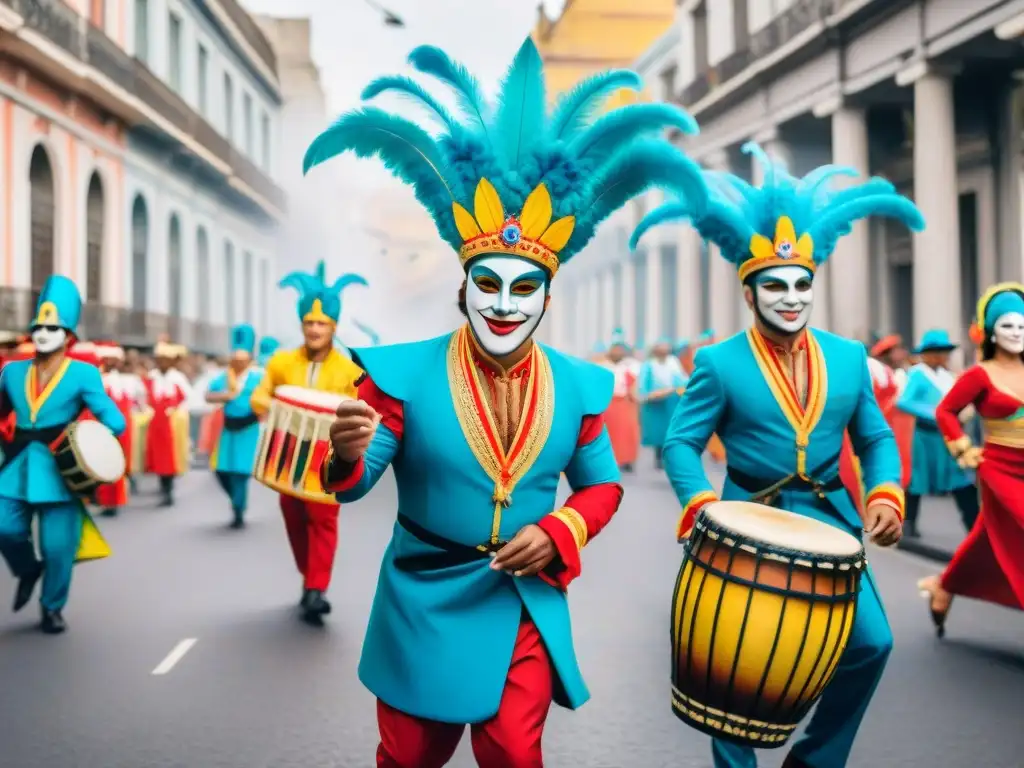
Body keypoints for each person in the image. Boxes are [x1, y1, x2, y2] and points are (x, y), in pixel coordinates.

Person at [310, 37, 703, 767]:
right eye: (488, 285)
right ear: (463, 290)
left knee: (516, 756)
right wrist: (345, 453)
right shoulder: (400, 375)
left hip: (522, 597)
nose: (503, 304)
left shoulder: (579, 385)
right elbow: (354, 484)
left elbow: (602, 488)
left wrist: (560, 530)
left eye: (524, 289)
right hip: (423, 595)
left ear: (547, 299)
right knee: (409, 758)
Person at [632, 142, 923, 768]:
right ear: (749, 292)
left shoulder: (847, 357)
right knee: (734, 666)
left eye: (801, 284)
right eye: (774, 285)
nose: (790, 296)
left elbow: (874, 438)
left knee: (872, 644)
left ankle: (814, 761)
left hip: (832, 522)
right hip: (745, 521)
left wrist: (885, 493)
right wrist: (701, 505)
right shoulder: (718, 361)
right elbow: (681, 442)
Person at [0, 276, 126, 633]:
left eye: (52, 327)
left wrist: (88, 444)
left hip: (60, 471)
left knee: (58, 549)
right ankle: (27, 569)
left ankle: (52, 607)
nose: (43, 333)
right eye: (38, 326)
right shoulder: (12, 372)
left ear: (68, 335)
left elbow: (115, 421)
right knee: (4, 527)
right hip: (16, 466)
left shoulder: (84, 374)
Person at [250, 262, 367, 623]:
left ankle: (317, 588)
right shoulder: (282, 362)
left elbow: (362, 407)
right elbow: (260, 395)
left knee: (323, 520)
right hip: (287, 457)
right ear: (301, 325)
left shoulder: (349, 370)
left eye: (322, 323)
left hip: (328, 458)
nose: (315, 329)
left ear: (333, 327)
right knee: (293, 517)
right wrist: (267, 406)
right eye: (309, 323)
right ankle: (309, 577)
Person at [917, 283, 1024, 635]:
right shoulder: (980, 374)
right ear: (991, 331)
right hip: (999, 468)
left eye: (1022, 325)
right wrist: (963, 447)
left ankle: (945, 585)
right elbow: (945, 411)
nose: (1017, 332)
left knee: (986, 538)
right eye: (1008, 325)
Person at [896, 329, 979, 537]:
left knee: (960, 478)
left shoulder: (947, 375)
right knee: (917, 479)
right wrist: (934, 413)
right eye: (940, 351)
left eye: (945, 351)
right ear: (928, 354)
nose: (944, 356)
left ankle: (975, 527)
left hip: (949, 435)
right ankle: (908, 523)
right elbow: (904, 401)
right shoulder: (918, 374)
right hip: (925, 436)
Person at [206, 325, 263, 529]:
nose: (238, 363)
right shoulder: (224, 377)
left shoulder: (259, 377)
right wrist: (225, 396)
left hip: (249, 428)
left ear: (249, 359)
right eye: (235, 359)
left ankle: (238, 509)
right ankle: (236, 500)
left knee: (240, 472)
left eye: (242, 359)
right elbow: (208, 395)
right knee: (221, 470)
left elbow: (270, 397)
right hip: (228, 429)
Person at [143, 342, 192, 507]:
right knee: (157, 456)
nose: (162, 362)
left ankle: (168, 488)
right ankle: (162, 485)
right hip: (155, 422)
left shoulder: (177, 378)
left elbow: (186, 398)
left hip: (171, 424)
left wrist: (176, 411)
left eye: (165, 359)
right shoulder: (151, 377)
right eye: (160, 359)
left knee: (170, 457)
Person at [94, 343, 136, 517]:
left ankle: (112, 502)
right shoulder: (97, 378)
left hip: (114, 428)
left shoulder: (122, 381)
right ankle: (103, 500)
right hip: (98, 428)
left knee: (113, 464)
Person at [638, 336, 688, 470]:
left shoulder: (673, 362)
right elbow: (643, 383)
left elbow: (682, 379)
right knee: (657, 431)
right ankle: (659, 455)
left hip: (671, 400)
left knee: (671, 429)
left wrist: (678, 388)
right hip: (655, 403)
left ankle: (670, 456)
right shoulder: (649, 364)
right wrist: (648, 395)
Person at [600, 330, 641, 472]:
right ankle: (610, 460)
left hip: (625, 403)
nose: (617, 352)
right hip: (608, 403)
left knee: (628, 432)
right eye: (615, 349)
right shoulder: (603, 366)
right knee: (609, 433)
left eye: (620, 349)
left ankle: (628, 459)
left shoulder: (630, 366)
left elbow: (634, 386)